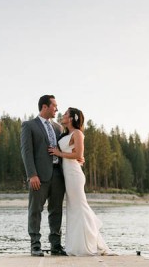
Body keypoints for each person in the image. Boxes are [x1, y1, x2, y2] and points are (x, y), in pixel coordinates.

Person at [49, 107, 110, 256]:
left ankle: (89, 242)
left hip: (75, 175)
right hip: (67, 175)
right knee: (74, 209)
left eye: (65, 114)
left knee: (80, 207)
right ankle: (77, 244)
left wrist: (59, 153)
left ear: (71, 118)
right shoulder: (66, 134)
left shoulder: (78, 133)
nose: (62, 115)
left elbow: (78, 154)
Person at [20, 95, 67, 257]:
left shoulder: (58, 128)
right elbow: (26, 152)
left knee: (56, 211)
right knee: (35, 210)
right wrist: (31, 174)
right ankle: (35, 245)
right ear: (45, 107)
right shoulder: (29, 125)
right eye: (54, 105)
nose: (57, 109)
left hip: (58, 175)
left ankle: (56, 245)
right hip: (38, 176)